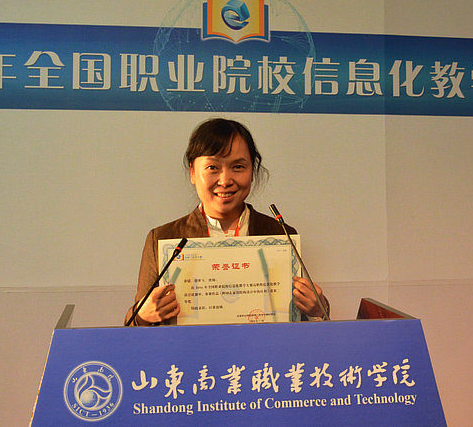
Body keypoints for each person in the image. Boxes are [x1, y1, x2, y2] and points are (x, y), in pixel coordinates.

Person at [125, 117, 329, 326]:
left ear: (252, 171)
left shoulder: (281, 235)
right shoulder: (162, 238)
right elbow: (131, 329)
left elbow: (306, 324)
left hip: (263, 347)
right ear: (193, 172)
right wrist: (142, 316)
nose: (225, 180)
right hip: (190, 348)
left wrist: (317, 309)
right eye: (212, 167)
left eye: (238, 167)